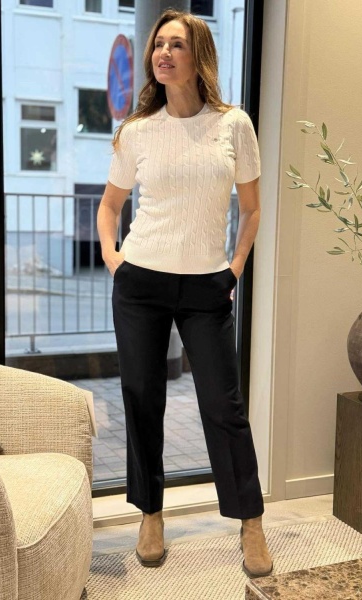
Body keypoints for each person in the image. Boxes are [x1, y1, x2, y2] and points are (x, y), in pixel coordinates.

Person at [96, 9, 273, 578]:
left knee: (223, 405)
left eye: (176, 44)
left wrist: (234, 269)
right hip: (141, 282)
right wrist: (114, 260)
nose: (163, 53)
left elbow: (251, 209)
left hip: (206, 285)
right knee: (142, 397)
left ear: (199, 57)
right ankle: (151, 514)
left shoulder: (233, 124)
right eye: (158, 44)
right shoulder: (137, 131)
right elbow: (110, 207)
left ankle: (250, 522)